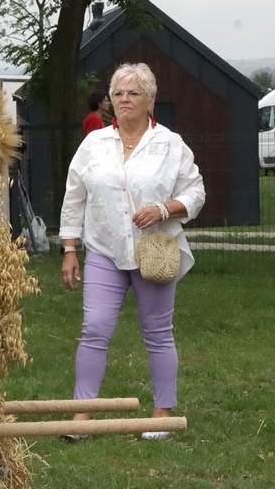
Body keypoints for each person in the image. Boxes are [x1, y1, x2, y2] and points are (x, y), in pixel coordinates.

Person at [58, 63, 204, 441]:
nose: (123, 100)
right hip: (104, 248)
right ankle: (81, 415)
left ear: (150, 100)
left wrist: (163, 209)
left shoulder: (170, 144)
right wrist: (70, 247)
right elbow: (75, 196)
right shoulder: (94, 144)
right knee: (95, 329)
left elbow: (195, 193)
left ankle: (161, 414)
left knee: (157, 332)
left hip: (152, 250)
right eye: (118, 93)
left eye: (133, 93)